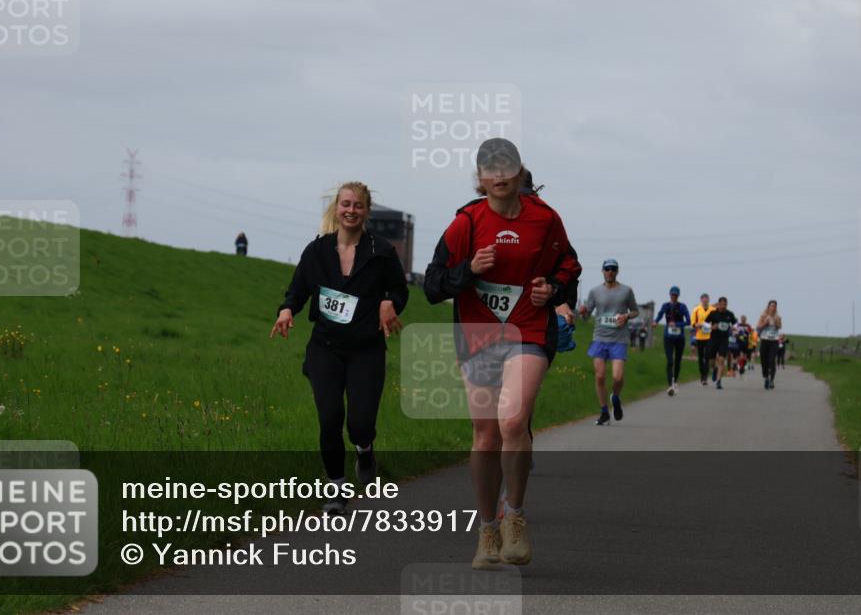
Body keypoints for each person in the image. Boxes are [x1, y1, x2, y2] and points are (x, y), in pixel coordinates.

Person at [424, 137, 581, 569]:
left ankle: (514, 515)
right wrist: (468, 271)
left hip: (529, 327)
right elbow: (433, 286)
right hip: (478, 334)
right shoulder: (465, 223)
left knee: (513, 420)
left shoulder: (546, 220)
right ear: (479, 178)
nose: (498, 176)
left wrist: (555, 289)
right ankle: (487, 529)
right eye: (488, 170)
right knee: (486, 435)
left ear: (518, 172)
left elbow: (569, 267)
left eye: (505, 168)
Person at [271, 182, 408, 515]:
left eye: (357, 205)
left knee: (359, 423)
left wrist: (390, 302)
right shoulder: (317, 251)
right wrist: (287, 309)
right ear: (336, 208)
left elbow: (399, 291)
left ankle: (364, 448)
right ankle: (336, 487)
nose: (350, 210)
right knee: (330, 417)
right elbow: (297, 290)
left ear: (366, 211)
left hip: (366, 350)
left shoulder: (382, 252)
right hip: (326, 348)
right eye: (345, 204)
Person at [578, 259, 639, 426]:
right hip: (599, 337)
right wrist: (582, 312)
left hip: (619, 339)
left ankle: (616, 397)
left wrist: (626, 316)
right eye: (607, 269)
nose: (610, 272)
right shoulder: (595, 292)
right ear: (603, 271)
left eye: (613, 269)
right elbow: (586, 315)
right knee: (600, 376)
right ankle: (604, 411)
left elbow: (635, 311)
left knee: (618, 377)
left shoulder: (626, 291)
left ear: (617, 271)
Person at [653, 286, 691, 396]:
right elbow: (660, 314)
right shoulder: (665, 306)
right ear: (670, 295)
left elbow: (688, 321)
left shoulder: (682, 307)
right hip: (668, 337)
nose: (674, 296)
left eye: (676, 295)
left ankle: (675, 381)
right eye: (672, 294)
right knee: (670, 361)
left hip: (680, 338)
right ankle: (670, 385)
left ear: (678, 296)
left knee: (678, 361)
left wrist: (677, 324)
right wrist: (655, 322)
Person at [704, 297, 737, 390]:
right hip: (713, 340)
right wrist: (711, 327)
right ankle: (714, 369)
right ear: (718, 304)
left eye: (725, 304)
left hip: (724, 340)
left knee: (722, 360)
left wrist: (733, 329)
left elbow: (735, 324)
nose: (723, 306)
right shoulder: (713, 313)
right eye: (721, 304)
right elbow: (705, 325)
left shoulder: (729, 314)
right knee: (712, 362)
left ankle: (719, 382)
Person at [689, 294, 715, 386]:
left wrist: (713, 326)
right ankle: (702, 373)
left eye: (707, 300)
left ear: (709, 300)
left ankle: (705, 377)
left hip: (709, 336)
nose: (705, 301)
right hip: (699, 336)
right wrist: (696, 325)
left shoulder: (713, 309)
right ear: (701, 300)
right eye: (704, 300)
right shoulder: (696, 309)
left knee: (707, 356)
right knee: (700, 357)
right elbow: (692, 322)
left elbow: (716, 321)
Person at [757, 300, 782, 389]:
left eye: (775, 306)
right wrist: (765, 323)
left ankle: (771, 380)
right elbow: (758, 327)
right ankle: (766, 377)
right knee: (764, 361)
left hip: (774, 341)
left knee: (772, 360)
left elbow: (779, 327)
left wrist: (775, 323)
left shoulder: (778, 317)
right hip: (764, 340)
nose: (773, 307)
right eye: (771, 305)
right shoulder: (763, 316)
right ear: (768, 307)